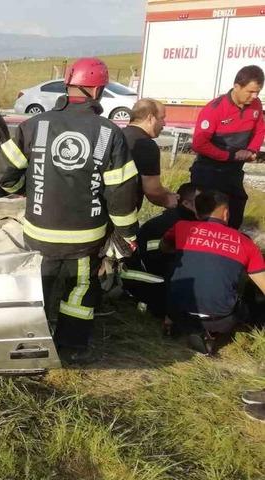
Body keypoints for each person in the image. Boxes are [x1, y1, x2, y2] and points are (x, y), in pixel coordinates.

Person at [0, 57, 139, 363]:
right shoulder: (109, 133)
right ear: (98, 90)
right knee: (79, 290)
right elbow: (121, 192)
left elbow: (3, 175)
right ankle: (71, 348)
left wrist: (28, 189)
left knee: (39, 285)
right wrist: (126, 233)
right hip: (85, 238)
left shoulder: (33, 126)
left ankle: (31, 344)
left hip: (38, 233)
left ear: (67, 85)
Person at [161, 190, 265, 356]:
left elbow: (164, 248)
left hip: (177, 310)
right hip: (220, 320)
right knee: (249, 293)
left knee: (175, 263)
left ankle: (172, 321)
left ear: (197, 210)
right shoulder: (245, 242)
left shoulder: (181, 227)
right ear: (226, 213)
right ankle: (210, 334)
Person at [190, 65, 265, 229]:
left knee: (234, 216)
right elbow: (199, 144)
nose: (254, 96)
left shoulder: (256, 105)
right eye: (250, 91)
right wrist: (229, 155)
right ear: (237, 86)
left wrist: (252, 150)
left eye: (258, 92)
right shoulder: (214, 109)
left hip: (234, 172)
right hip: (209, 171)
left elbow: (260, 130)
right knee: (208, 220)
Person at [123, 183, 198, 318]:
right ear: (187, 203)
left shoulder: (181, 219)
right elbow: (157, 259)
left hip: (152, 277)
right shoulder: (168, 223)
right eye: (203, 202)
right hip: (146, 283)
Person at [123, 98, 178, 210]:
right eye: (162, 118)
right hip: (124, 214)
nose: (164, 123)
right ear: (150, 118)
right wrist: (169, 200)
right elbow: (152, 191)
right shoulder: (146, 145)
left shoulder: (118, 135)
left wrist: (164, 190)